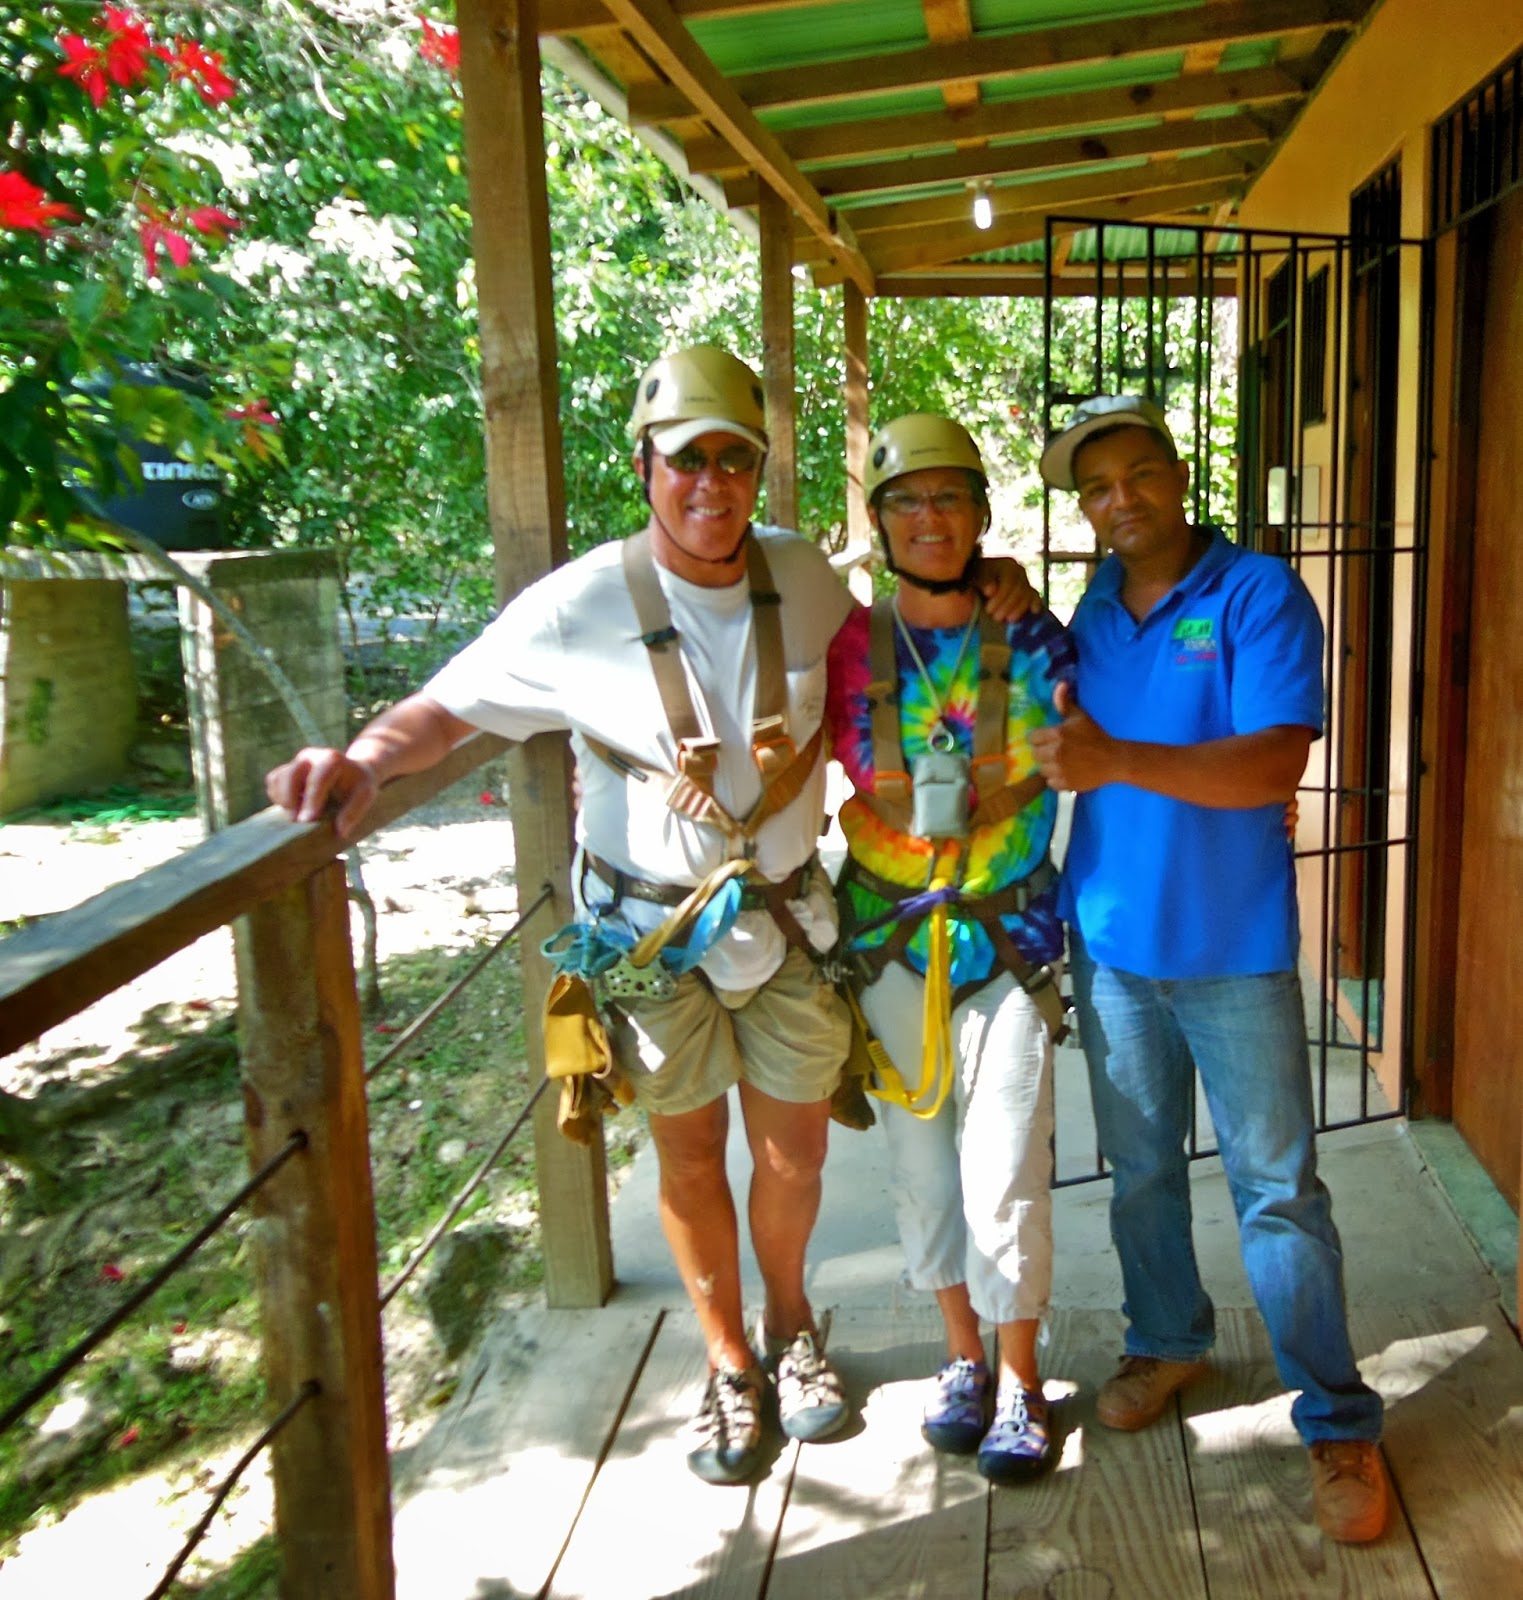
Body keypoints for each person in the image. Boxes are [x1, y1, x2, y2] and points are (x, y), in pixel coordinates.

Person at [265, 345, 1034, 1488]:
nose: (710, 483)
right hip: (650, 936)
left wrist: (996, 576)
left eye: (734, 459)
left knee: (793, 1153)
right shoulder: (578, 605)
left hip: (784, 921)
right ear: (644, 467)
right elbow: (445, 709)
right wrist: (365, 761)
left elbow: (913, 623)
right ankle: (726, 1360)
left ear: (757, 469)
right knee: (686, 1153)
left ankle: (790, 1327)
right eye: (687, 460)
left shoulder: (800, 576)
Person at [1030, 395, 1388, 1543]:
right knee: (1137, 1173)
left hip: (1231, 947)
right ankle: (1166, 1339)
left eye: (1137, 473)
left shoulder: (1254, 593)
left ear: (1178, 474)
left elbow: (1274, 765)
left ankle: (1334, 1417)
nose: (1118, 499)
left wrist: (1113, 759)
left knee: (1276, 1191)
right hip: (1109, 943)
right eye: (1095, 488)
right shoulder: (1091, 605)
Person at [823, 414, 1074, 1484]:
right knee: (920, 1170)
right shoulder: (847, 645)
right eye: (905, 501)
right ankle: (961, 1355)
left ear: (979, 513)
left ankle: (1020, 1380)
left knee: (1004, 1167)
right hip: (890, 938)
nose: (928, 518)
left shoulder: (1033, 635)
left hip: (1005, 936)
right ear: (879, 521)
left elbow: (1096, 731)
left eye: (948, 498)